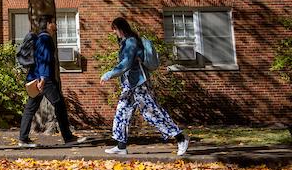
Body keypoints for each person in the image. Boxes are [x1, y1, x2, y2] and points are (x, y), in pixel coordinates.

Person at [100, 16, 189, 156]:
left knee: (152, 112)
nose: (114, 32)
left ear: (121, 29)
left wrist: (110, 74)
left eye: (115, 29)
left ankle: (180, 138)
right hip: (129, 85)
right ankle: (121, 146)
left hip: (139, 84)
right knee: (122, 112)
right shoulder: (125, 42)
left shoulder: (131, 42)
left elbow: (126, 63)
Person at [18, 14, 86, 148]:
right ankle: (68, 137)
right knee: (59, 105)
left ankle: (23, 139)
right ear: (49, 24)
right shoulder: (45, 39)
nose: (56, 25)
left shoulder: (40, 38)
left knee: (30, 108)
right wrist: (43, 79)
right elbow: (44, 60)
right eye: (54, 22)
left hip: (36, 78)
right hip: (44, 79)